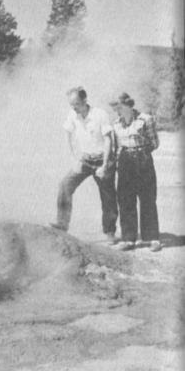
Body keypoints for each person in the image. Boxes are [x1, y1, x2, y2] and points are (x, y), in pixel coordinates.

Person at [50, 87, 118, 242]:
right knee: (65, 185)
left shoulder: (100, 114)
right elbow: (68, 135)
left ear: (85, 100)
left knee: (108, 196)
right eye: (71, 104)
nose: (74, 107)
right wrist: (75, 158)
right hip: (85, 159)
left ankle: (110, 232)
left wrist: (105, 165)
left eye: (77, 104)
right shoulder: (72, 115)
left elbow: (109, 140)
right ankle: (62, 224)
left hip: (103, 159)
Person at [110, 92, 161, 252]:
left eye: (119, 108)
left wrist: (139, 153)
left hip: (143, 159)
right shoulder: (116, 123)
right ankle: (128, 239)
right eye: (115, 109)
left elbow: (154, 143)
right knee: (125, 199)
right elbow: (116, 146)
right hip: (124, 162)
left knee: (147, 198)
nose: (117, 111)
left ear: (128, 105)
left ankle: (152, 238)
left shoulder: (146, 119)